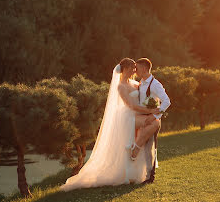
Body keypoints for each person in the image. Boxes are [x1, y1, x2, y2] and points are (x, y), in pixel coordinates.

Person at [60, 58, 162, 191]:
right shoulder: (120, 86)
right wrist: (150, 111)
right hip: (128, 116)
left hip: (139, 114)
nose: (134, 70)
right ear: (125, 69)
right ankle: (136, 147)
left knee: (154, 123)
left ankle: (137, 148)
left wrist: (153, 102)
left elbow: (145, 94)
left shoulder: (135, 83)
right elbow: (131, 105)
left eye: (135, 67)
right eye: (132, 67)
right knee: (155, 122)